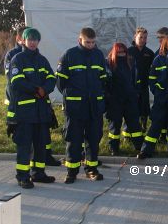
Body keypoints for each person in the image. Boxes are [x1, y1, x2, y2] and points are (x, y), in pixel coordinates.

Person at [56, 27, 107, 183]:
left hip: (94, 107)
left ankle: (91, 169)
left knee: (93, 139)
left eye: (93, 42)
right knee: (74, 140)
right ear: (80, 40)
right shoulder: (70, 55)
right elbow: (60, 82)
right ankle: (72, 172)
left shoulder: (98, 55)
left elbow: (103, 78)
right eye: (87, 42)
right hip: (75, 108)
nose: (90, 45)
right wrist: (72, 96)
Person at [7, 28, 57, 189]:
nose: (33, 42)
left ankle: (39, 173)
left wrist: (45, 89)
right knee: (24, 145)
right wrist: (37, 89)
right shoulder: (17, 59)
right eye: (30, 39)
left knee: (40, 144)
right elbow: (17, 81)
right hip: (25, 112)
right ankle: (23, 176)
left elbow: (51, 77)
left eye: (36, 39)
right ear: (23, 41)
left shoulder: (42, 60)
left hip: (41, 111)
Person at [105, 42, 144, 156]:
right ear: (114, 52)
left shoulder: (131, 61)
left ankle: (140, 147)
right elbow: (106, 81)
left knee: (134, 124)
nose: (121, 54)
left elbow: (136, 79)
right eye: (119, 52)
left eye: (123, 51)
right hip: (115, 100)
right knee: (115, 126)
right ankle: (114, 148)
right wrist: (108, 96)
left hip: (129, 99)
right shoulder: (109, 63)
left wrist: (136, 93)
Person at [127, 27, 155, 130]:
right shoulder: (128, 52)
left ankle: (143, 128)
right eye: (140, 37)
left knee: (144, 108)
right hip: (131, 86)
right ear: (135, 37)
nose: (143, 39)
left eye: (145, 37)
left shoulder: (149, 53)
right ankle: (127, 132)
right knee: (131, 108)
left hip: (143, 86)